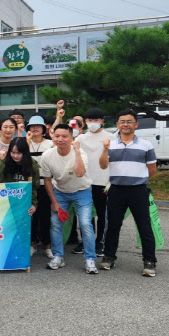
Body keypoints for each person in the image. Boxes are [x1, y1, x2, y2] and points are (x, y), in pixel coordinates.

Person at [99, 109, 158, 277]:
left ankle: (150, 261)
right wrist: (104, 150)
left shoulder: (146, 145)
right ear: (117, 124)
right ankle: (109, 257)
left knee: (144, 226)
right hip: (116, 189)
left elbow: (152, 169)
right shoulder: (110, 144)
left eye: (129, 121)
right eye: (122, 121)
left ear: (136, 124)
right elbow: (103, 165)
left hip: (138, 190)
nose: (125, 124)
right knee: (113, 226)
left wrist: (138, 179)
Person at [40, 124, 97, 274]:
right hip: (60, 192)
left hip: (82, 191)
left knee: (85, 223)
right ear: (52, 136)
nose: (60, 139)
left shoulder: (81, 153)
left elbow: (79, 173)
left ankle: (90, 259)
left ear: (72, 138)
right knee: (55, 223)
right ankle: (58, 256)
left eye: (65, 136)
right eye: (57, 136)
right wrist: (54, 201)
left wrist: (77, 150)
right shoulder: (47, 155)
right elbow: (47, 180)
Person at [75, 107, 114, 256]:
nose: (93, 123)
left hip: (103, 182)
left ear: (102, 121)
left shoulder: (110, 137)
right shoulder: (80, 139)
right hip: (85, 182)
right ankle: (87, 241)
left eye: (96, 120)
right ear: (85, 122)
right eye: (90, 120)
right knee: (85, 216)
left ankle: (101, 242)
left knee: (103, 214)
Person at [0, 138, 39, 254]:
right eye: (13, 152)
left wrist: (34, 204)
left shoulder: (33, 166)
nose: (15, 156)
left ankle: (23, 251)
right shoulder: (5, 162)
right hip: (5, 202)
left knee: (23, 229)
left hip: (23, 204)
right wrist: (1, 160)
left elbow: (34, 188)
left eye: (19, 153)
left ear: (25, 153)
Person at [26, 115, 54, 258]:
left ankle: (48, 246)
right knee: (32, 216)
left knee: (45, 216)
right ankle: (32, 245)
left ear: (44, 129)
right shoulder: (26, 143)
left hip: (45, 184)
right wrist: (26, 141)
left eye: (38, 126)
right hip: (29, 185)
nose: (35, 128)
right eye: (32, 126)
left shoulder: (50, 144)